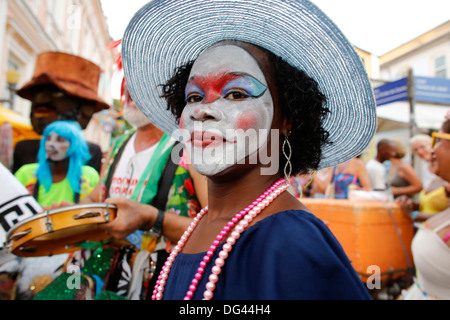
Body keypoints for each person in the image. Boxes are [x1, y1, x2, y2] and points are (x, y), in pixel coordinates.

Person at [120, 0, 377, 300]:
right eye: (193, 97)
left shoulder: (292, 242)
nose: (203, 111)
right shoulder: (201, 224)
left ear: (287, 119)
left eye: (236, 93)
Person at [13, 52, 108, 174]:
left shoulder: (90, 152)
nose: (41, 100)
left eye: (56, 94)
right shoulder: (24, 149)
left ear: (86, 109)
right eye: (35, 95)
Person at [398, 119, 450, 300]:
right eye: (416, 150)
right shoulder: (435, 177)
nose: (430, 151)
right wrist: (413, 206)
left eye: (437, 140)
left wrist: (413, 215)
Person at [14, 120, 99, 208]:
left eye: (60, 140)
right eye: (48, 138)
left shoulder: (89, 175)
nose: (51, 144)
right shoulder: (26, 173)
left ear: (74, 146)